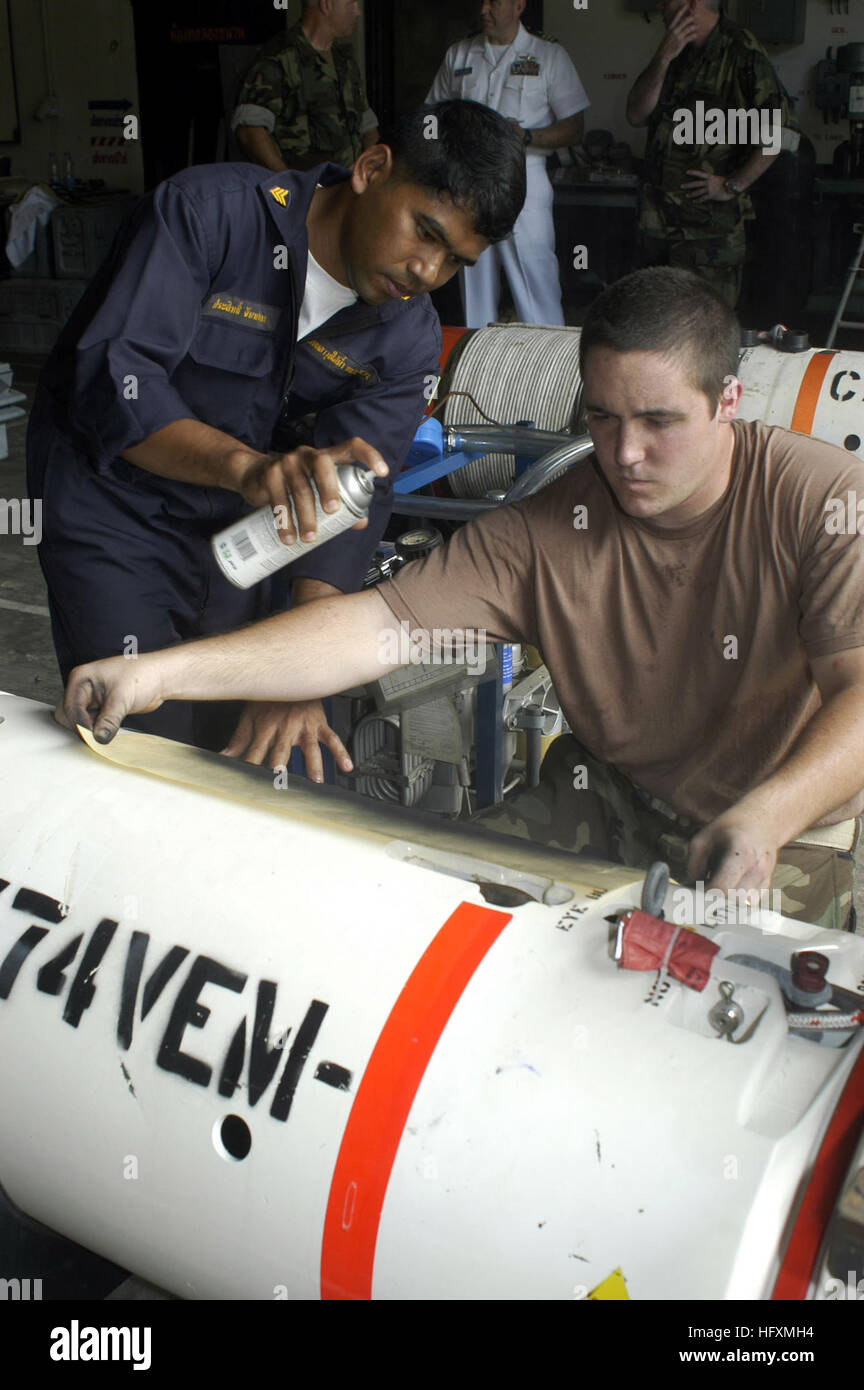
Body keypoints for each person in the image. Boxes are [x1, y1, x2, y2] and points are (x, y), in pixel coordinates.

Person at [58, 268, 864, 932]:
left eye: (660, 421)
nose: (625, 454)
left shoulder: (821, 500)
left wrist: (765, 818)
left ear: (729, 401)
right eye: (604, 417)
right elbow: (370, 627)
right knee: (423, 913)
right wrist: (160, 676)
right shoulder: (550, 524)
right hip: (608, 795)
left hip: (781, 834)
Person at [28, 101, 526, 775]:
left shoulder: (405, 336)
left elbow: (357, 502)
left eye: (454, 262)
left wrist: (301, 673)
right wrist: (247, 469)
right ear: (371, 167)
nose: (427, 272)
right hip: (116, 509)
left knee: (254, 740)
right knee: (144, 736)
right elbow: (115, 388)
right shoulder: (206, 216)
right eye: (425, 232)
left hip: (248, 536)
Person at [626, 0, 799, 308]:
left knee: (705, 332)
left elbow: (782, 134)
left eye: (668, 1)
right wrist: (664, 57)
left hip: (708, 235)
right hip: (657, 226)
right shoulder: (673, 52)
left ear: (690, 5)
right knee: (656, 328)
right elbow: (636, 114)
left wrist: (733, 185)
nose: (661, 7)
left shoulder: (741, 50)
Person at [426, 0, 589, 327]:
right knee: (474, 286)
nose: (484, 9)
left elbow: (574, 128)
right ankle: (478, 368)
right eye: (482, 2)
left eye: (494, 2)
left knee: (535, 285)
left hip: (523, 179)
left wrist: (525, 137)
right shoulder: (459, 54)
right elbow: (431, 117)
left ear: (518, 5)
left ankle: (547, 368)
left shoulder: (548, 55)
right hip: (468, 181)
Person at [232, 0, 379, 173]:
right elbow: (250, 132)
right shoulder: (278, 58)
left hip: (346, 190)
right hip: (306, 192)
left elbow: (368, 127)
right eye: (351, 4)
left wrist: (367, 168)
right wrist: (291, 186)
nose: (357, 11)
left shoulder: (344, 60)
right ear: (326, 5)